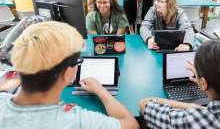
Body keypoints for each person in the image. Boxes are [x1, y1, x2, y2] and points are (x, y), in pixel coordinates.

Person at [0, 21, 139, 129]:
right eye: (78, 61)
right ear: (67, 74)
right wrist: (101, 91)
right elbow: (132, 125)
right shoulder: (79, 121)